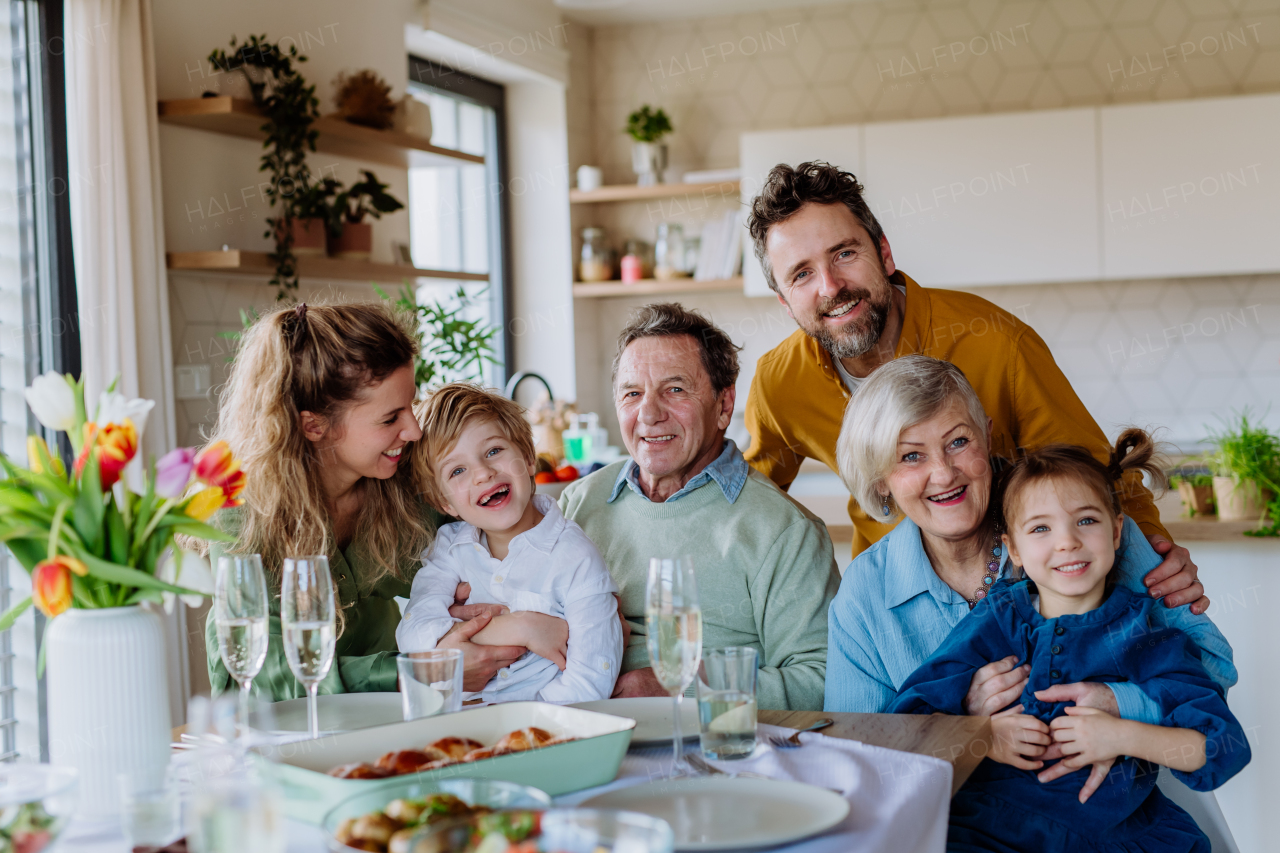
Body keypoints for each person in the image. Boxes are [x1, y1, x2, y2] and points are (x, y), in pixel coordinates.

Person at [743, 160, 1208, 614]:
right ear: (785, 302)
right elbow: (752, 506)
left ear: (883, 254)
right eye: (802, 274)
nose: (830, 286)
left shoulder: (998, 342)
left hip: (1019, 594)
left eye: (845, 253)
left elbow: (1094, 474)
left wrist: (1157, 560)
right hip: (892, 607)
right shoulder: (780, 383)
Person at [824, 357, 1235, 776]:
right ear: (880, 482)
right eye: (911, 456)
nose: (944, 474)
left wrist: (1118, 704)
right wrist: (964, 723)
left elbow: (1212, 665)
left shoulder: (1081, 536)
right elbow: (854, 751)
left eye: (958, 442)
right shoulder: (866, 591)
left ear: (986, 436)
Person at [888, 430, 1250, 853]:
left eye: (1086, 521)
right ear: (1014, 550)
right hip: (983, 833)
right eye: (1040, 528)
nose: (1067, 541)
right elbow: (907, 720)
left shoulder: (1147, 635)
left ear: (1117, 533)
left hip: (1108, 838)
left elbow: (1221, 748)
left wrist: (1122, 737)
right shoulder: (999, 620)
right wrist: (983, 735)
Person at [198, 303, 539, 700]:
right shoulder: (239, 508)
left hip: (392, 717)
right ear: (315, 425)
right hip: (283, 733)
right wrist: (415, 672)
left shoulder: (405, 481)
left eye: (411, 405)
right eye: (390, 418)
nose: (413, 430)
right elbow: (263, 670)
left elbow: (493, 564)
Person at [559, 303, 839, 711]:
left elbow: (820, 680)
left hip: (714, 745)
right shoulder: (578, 502)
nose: (649, 414)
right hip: (583, 731)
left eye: (674, 389)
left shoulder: (785, 530)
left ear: (724, 406)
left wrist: (679, 689)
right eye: (632, 394)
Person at [397, 383, 622, 703]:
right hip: (458, 729)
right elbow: (413, 636)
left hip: (541, 734)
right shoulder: (449, 550)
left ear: (529, 458)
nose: (483, 474)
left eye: (493, 451)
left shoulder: (575, 556)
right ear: (444, 503)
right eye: (458, 470)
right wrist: (521, 628)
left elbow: (591, 680)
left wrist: (525, 729)